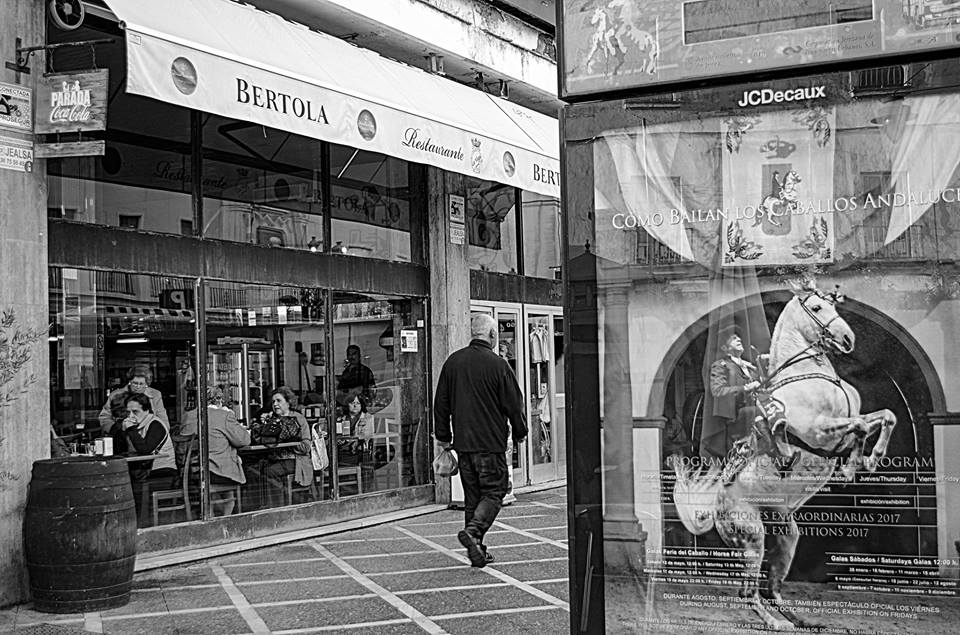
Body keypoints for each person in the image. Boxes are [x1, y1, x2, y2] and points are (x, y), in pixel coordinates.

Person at [434, 313, 528, 568]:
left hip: (464, 446)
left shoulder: (453, 363)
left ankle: (477, 548)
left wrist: (444, 438)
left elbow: (440, 404)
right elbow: (514, 405)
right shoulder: (499, 365)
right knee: (495, 492)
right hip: (490, 445)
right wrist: (520, 432)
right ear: (493, 335)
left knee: (473, 498)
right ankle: (474, 533)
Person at [704, 326, 761, 459]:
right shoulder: (720, 365)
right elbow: (718, 391)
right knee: (757, 411)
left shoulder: (750, 367)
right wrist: (746, 388)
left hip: (752, 414)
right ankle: (778, 456)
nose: (739, 339)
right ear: (725, 348)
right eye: (733, 338)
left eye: (739, 337)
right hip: (734, 416)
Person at [121, 393, 177, 523]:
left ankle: (140, 521)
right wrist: (122, 430)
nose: (131, 416)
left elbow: (145, 450)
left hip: (163, 471)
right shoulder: (137, 425)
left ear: (146, 410)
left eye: (135, 412)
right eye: (128, 412)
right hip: (146, 470)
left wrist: (131, 430)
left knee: (130, 485)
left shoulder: (155, 424)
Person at [257, 386, 311, 508]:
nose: (275, 404)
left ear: (288, 402)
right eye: (273, 402)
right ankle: (266, 505)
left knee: (269, 471)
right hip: (277, 459)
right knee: (256, 468)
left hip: (296, 460)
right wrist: (264, 427)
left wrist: (290, 440)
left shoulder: (298, 419)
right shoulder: (273, 419)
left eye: (279, 401)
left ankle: (277, 507)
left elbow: (306, 446)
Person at [99, 365, 168, 443]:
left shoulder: (155, 394)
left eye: (141, 384)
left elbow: (162, 417)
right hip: (122, 439)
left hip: (147, 439)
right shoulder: (115, 395)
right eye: (135, 383)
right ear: (129, 381)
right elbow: (104, 417)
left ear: (147, 384)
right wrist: (116, 430)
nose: (138, 387)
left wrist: (162, 435)